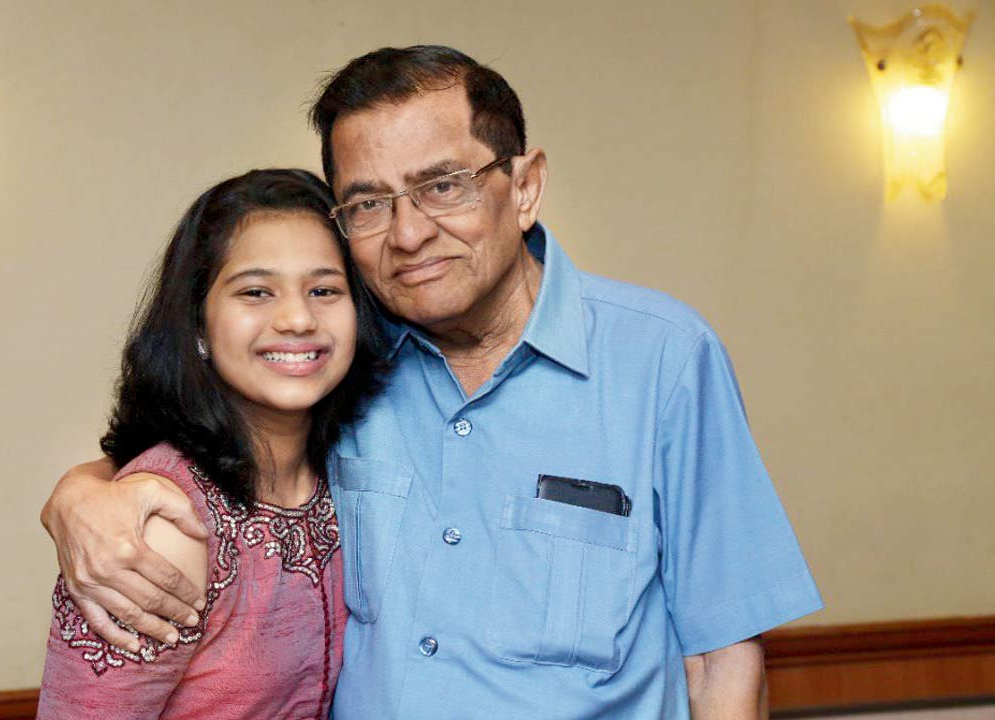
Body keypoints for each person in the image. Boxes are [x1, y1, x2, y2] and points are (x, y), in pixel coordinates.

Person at [41, 46, 823, 718]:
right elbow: (221, 452)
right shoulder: (344, 364)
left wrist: (79, 490)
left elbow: (723, 656)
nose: (409, 233)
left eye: (443, 184)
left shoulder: (663, 360)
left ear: (524, 186)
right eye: (368, 203)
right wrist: (82, 493)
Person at [36, 168, 386, 719]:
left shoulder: (355, 471)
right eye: (255, 292)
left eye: (324, 290)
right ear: (199, 324)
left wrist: (79, 482)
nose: (297, 318)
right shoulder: (163, 525)